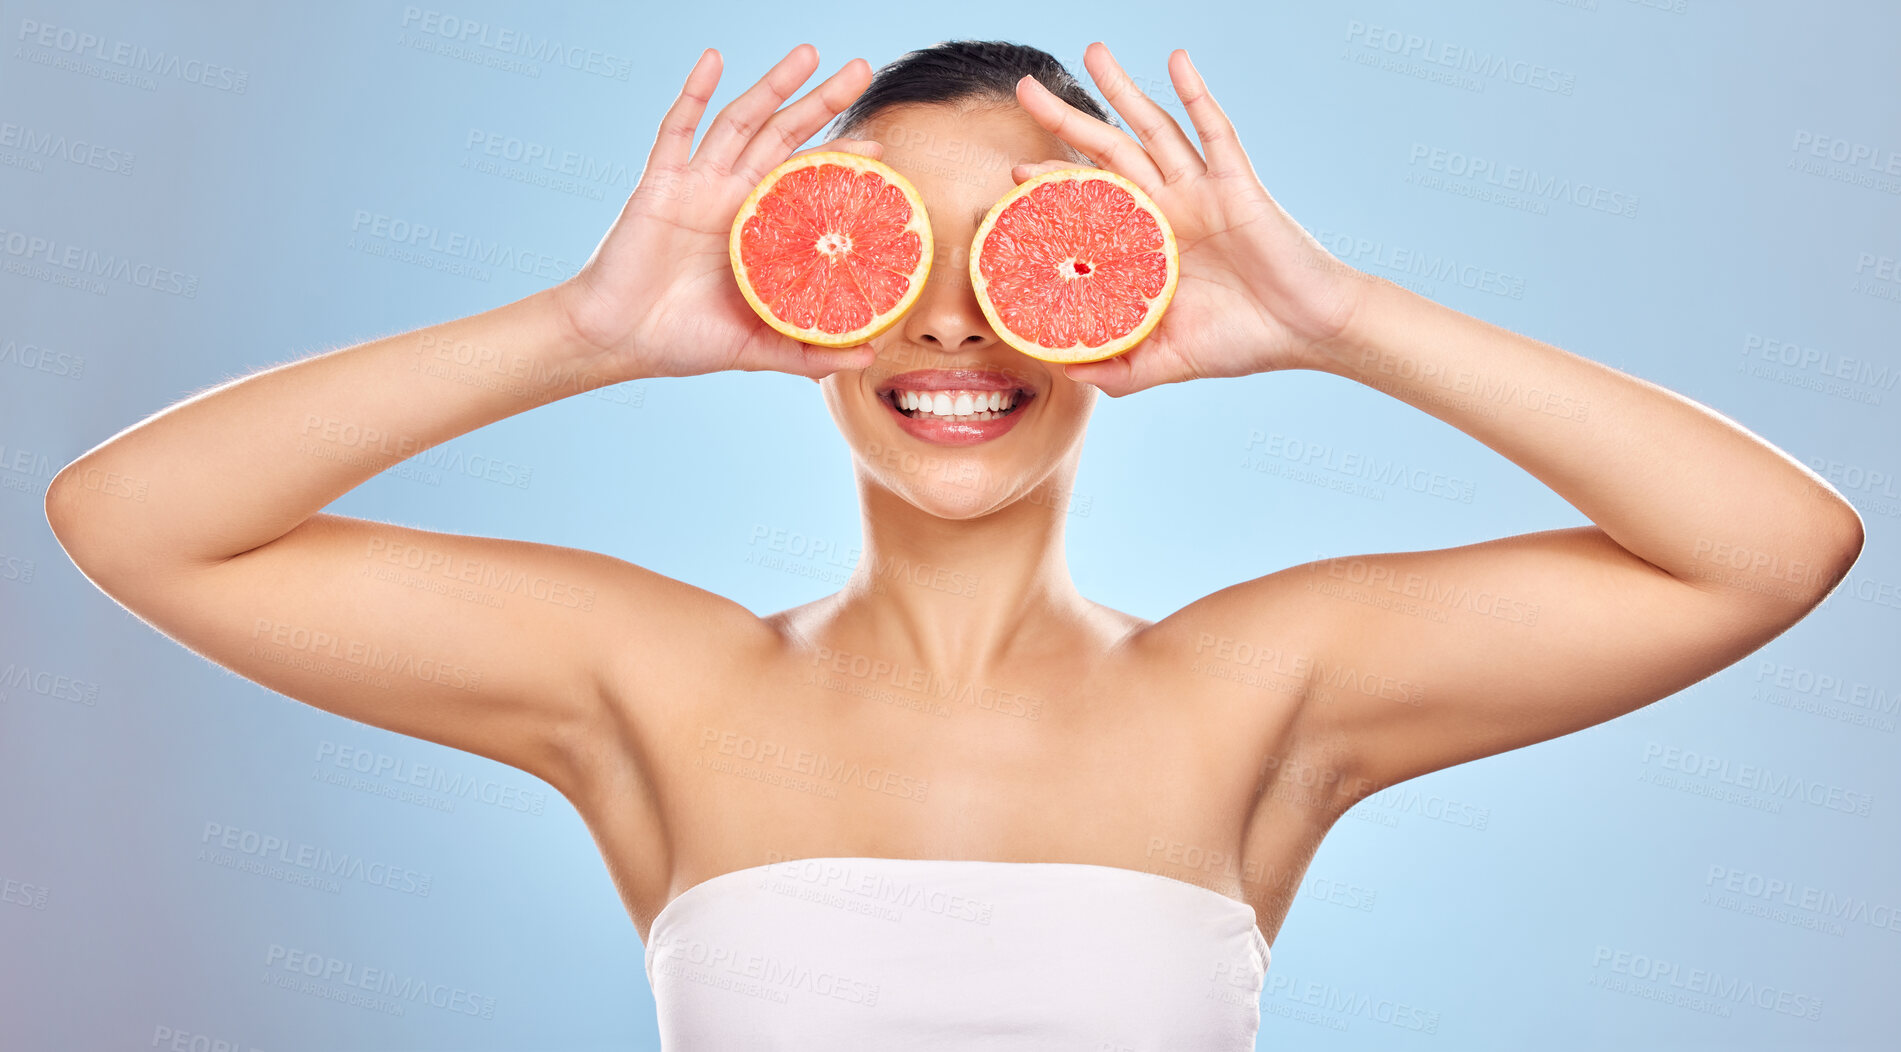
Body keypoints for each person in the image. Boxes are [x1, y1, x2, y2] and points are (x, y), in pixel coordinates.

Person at [44, 38, 1863, 1049]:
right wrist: (578, 332)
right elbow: (132, 523)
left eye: (1024, 256)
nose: (946, 325)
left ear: (1117, 294)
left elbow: (1767, 551)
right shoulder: (650, 687)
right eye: (879, 249)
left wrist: (1339, 317)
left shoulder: (1264, 692)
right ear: (793, 288)